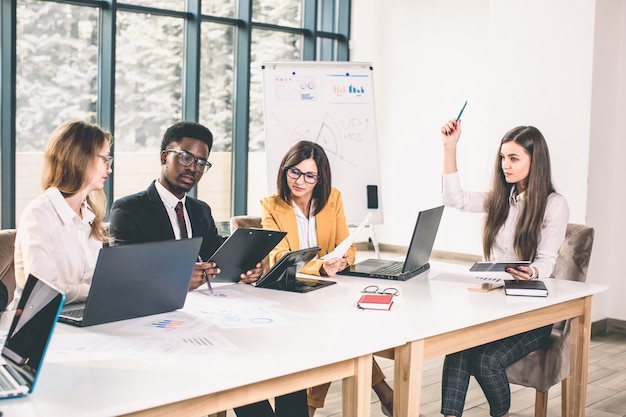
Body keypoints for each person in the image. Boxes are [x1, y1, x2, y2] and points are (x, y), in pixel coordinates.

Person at [108, 121, 307, 417]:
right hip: (157, 324)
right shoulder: (128, 209)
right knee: (237, 364)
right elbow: (124, 277)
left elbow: (218, 257)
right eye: (186, 157)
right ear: (165, 156)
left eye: (202, 162)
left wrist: (247, 269)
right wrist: (176, 280)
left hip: (205, 316)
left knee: (288, 360)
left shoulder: (200, 211)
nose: (193, 168)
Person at [439, 119, 569, 417]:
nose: (505, 165)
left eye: (513, 158)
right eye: (502, 158)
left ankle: (502, 414)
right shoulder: (501, 199)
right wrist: (450, 147)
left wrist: (532, 272)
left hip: (531, 313)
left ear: (535, 161)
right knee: (457, 347)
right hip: (494, 305)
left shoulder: (554, 204)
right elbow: (453, 199)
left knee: (485, 360)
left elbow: (547, 260)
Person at [261, 140, 394, 417]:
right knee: (337, 330)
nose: (300, 181)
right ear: (284, 170)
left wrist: (343, 259)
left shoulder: (332, 198)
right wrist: (320, 267)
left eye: (310, 176)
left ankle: (311, 408)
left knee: (341, 329)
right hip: (289, 292)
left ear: (319, 178)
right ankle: (383, 393)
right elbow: (279, 257)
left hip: (328, 288)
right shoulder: (271, 205)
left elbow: (349, 245)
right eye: (294, 172)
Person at [13, 120, 113, 306]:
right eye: (105, 159)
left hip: (81, 313)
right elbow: (44, 292)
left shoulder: (89, 216)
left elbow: (93, 280)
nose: (109, 168)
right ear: (81, 158)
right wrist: (97, 291)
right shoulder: (39, 214)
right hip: (40, 322)